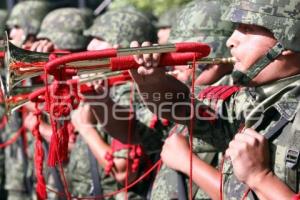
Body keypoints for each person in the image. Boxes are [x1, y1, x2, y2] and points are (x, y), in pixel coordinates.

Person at [127, 0, 300, 199]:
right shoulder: (247, 100)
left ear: (288, 38)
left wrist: (261, 177)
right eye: (236, 28)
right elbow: (181, 107)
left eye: (248, 28)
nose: (231, 41)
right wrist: (152, 81)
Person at [68, 8, 168, 199]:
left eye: (99, 38)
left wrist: (86, 129)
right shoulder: (106, 86)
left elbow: (124, 172)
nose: (90, 45)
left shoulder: (128, 91)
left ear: (121, 47)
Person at [148, 0, 234, 199]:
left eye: (181, 57)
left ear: (216, 57)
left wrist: (186, 162)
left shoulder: (238, 100)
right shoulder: (192, 91)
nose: (173, 64)